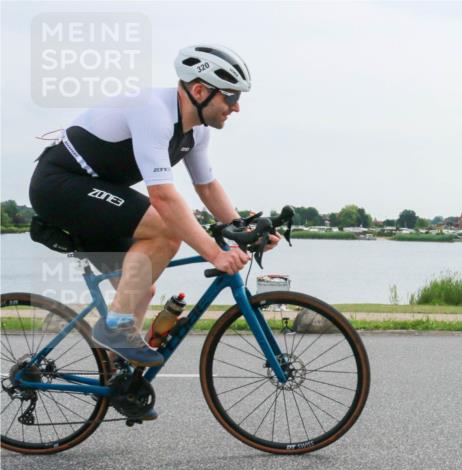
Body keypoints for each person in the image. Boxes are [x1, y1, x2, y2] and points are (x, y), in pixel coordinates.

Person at [28, 44, 277, 378]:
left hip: (99, 196)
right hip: (59, 185)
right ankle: (114, 328)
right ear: (200, 90)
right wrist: (214, 254)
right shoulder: (152, 111)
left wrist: (241, 228)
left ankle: (122, 378)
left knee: (140, 287)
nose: (236, 107)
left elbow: (206, 186)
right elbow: (163, 198)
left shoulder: (196, 131)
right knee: (165, 228)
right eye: (230, 96)